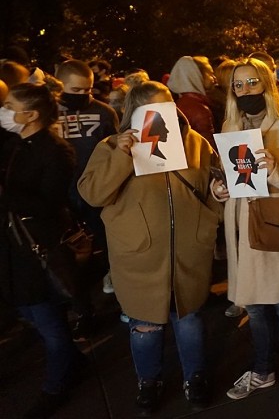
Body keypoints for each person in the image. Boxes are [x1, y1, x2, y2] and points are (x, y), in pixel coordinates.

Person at [78, 81, 220, 415]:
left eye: (169, 105)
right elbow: (93, 194)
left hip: (189, 250)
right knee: (145, 325)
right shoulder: (111, 145)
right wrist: (122, 154)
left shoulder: (195, 143)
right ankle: (148, 380)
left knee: (190, 319)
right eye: (153, 109)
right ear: (135, 113)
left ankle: (195, 377)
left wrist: (216, 203)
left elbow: (209, 189)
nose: (164, 114)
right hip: (139, 254)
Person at [209, 58, 279, 414]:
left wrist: (277, 170)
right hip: (242, 234)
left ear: (267, 85)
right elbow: (225, 175)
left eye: (253, 83)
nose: (245, 90)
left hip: (276, 233)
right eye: (239, 85)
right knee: (254, 308)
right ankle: (263, 369)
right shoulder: (229, 127)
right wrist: (218, 188)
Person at [0, 83, 86, 418]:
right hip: (12, 244)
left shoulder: (55, 150)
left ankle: (56, 385)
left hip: (37, 248)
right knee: (34, 315)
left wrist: (6, 194)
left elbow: (50, 204)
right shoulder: (14, 144)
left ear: (31, 115)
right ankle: (73, 362)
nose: (5, 111)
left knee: (49, 321)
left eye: (10, 106)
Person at [55, 59, 120, 335]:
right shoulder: (49, 112)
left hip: (97, 190)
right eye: (76, 90)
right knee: (71, 258)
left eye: (88, 90)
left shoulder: (104, 112)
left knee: (109, 244)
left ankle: (118, 293)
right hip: (64, 195)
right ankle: (83, 310)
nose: (83, 96)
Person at [167, 56, 217, 146]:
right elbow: (209, 146)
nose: (214, 78)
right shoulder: (199, 108)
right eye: (210, 74)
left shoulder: (180, 103)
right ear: (197, 76)